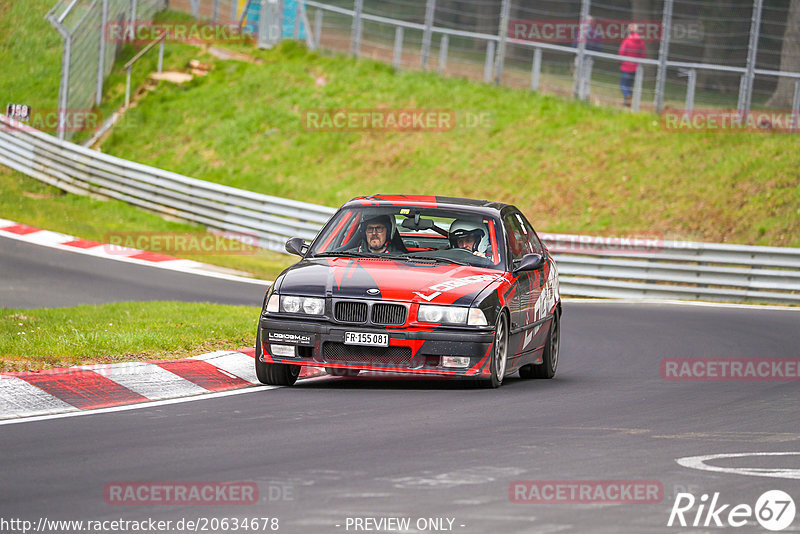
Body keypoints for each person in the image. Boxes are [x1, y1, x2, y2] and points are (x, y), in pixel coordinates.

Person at [618, 23, 646, 107]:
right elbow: (643, 54)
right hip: (636, 67)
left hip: (626, 66)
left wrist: (620, 61)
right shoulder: (641, 42)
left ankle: (627, 96)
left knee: (623, 84)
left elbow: (621, 52)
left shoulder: (627, 41)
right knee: (630, 85)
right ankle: (627, 101)